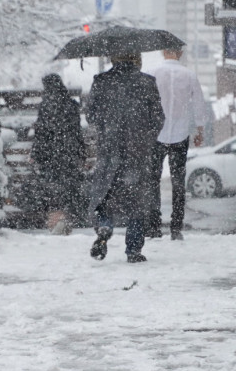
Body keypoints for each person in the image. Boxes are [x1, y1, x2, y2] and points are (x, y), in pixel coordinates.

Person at [86, 53, 165, 263]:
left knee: (106, 197)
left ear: (113, 58)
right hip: (137, 153)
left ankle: (105, 225)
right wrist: (146, 139)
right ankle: (133, 250)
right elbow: (158, 118)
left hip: (109, 151)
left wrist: (107, 128)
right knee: (137, 203)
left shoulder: (101, 81)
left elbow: (90, 116)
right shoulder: (147, 82)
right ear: (136, 58)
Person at [145, 48, 209, 241]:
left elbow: (146, 102)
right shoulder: (189, 75)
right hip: (180, 133)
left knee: (152, 181)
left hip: (156, 133)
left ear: (164, 52)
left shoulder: (153, 73)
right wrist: (200, 129)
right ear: (180, 53)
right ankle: (176, 227)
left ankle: (154, 225)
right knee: (178, 181)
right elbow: (199, 103)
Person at [30, 73, 86, 235]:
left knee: (52, 190)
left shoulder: (46, 105)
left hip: (50, 156)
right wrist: (80, 153)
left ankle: (55, 222)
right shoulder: (71, 105)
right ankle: (65, 220)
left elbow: (41, 133)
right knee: (68, 189)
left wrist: (36, 153)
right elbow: (77, 132)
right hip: (69, 154)